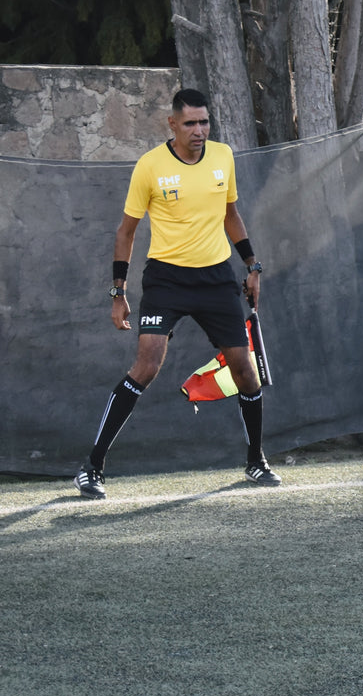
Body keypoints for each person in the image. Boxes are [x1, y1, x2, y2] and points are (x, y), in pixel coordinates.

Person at [74, 88, 279, 499]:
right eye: (190, 123)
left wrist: (252, 265)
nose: (199, 130)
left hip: (217, 279)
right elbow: (126, 232)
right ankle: (91, 468)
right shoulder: (150, 166)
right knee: (146, 366)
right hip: (166, 281)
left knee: (244, 369)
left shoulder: (222, 156)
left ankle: (256, 461)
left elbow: (230, 214)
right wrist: (118, 292)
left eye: (204, 122)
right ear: (172, 124)